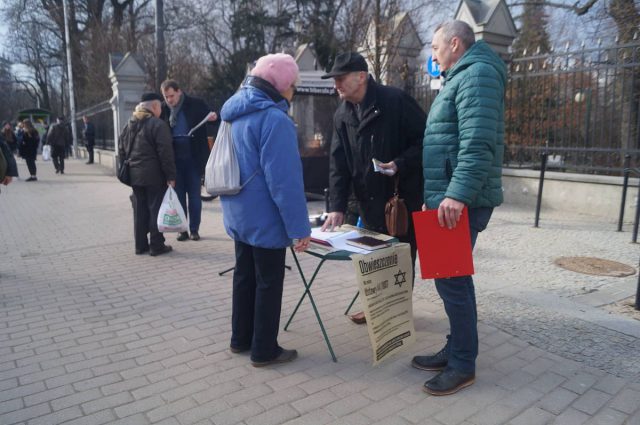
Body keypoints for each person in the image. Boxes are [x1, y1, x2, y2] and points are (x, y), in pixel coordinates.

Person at [412, 20, 506, 396]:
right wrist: (436, 196)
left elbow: (478, 142)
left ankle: (463, 364)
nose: (433, 56)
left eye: (435, 48)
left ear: (454, 43)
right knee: (450, 277)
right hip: (447, 198)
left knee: (452, 281)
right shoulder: (463, 75)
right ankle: (457, 349)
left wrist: (455, 195)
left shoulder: (478, 74)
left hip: (460, 200)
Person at [219, 53, 311, 367]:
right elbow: (284, 182)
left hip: (238, 211)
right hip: (266, 217)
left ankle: (239, 339)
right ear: (280, 85)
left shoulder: (233, 112)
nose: (294, 90)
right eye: (293, 84)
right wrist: (299, 228)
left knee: (244, 275)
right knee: (269, 281)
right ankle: (264, 350)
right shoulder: (274, 119)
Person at [320, 52, 426, 324]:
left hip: (399, 201)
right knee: (372, 259)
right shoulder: (342, 114)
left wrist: (400, 163)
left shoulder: (395, 101)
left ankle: (397, 314)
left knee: (400, 257)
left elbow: (426, 141)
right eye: (334, 80)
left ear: (361, 77)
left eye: (341, 79)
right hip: (367, 203)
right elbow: (338, 163)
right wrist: (336, 207)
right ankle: (376, 308)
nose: (336, 85)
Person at [118, 93, 177, 257]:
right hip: (154, 176)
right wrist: (171, 176)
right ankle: (156, 245)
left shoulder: (128, 124)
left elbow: (121, 150)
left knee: (139, 210)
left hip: (135, 176)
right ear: (154, 107)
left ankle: (140, 245)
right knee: (155, 209)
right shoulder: (157, 125)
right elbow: (166, 153)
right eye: (159, 106)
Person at [160, 79, 218, 242]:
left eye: (171, 96)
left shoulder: (196, 104)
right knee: (178, 197)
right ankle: (182, 230)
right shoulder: (164, 110)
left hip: (194, 159)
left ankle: (194, 230)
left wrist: (214, 118)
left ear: (179, 91)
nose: (169, 100)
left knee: (194, 196)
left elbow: (214, 120)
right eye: (166, 97)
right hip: (174, 161)